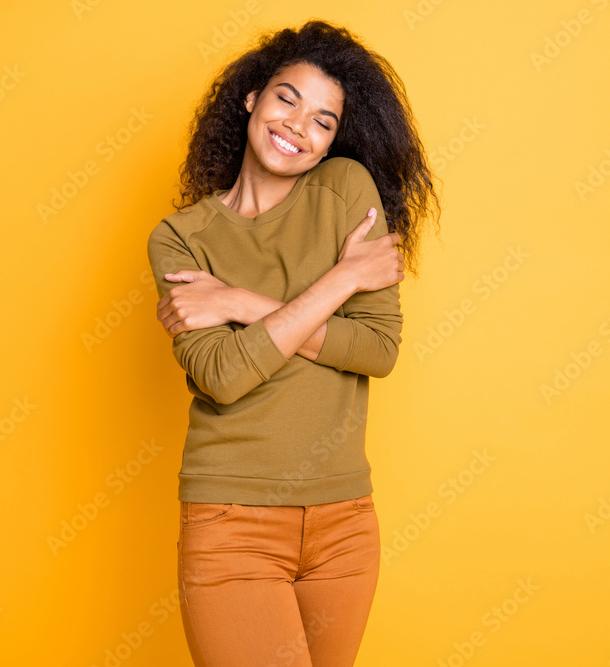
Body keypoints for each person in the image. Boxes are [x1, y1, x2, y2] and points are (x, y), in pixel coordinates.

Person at [146, 19, 440, 666]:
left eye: (324, 120)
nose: (298, 126)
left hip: (345, 522)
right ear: (251, 96)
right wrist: (343, 280)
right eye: (287, 98)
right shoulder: (180, 237)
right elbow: (223, 375)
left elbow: (375, 351)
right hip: (231, 522)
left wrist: (241, 302)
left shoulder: (345, 191)